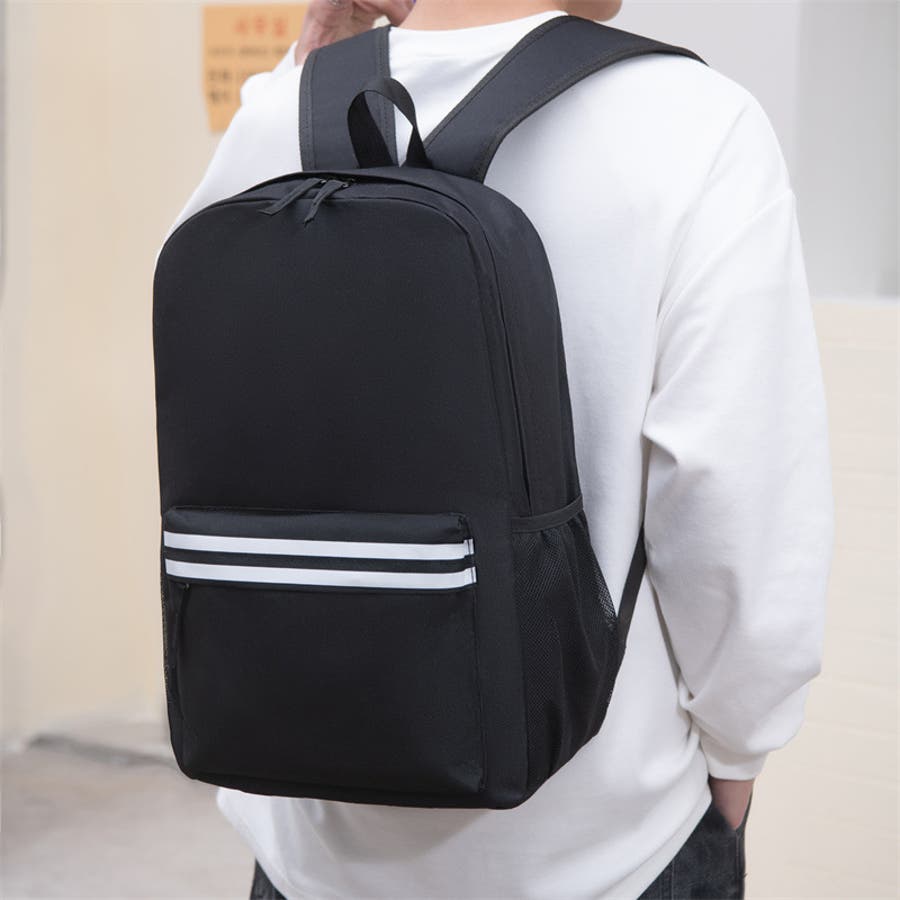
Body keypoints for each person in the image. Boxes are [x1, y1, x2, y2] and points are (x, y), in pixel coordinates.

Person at [170, 1, 834, 897]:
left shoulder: (280, 111)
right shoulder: (696, 124)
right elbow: (737, 505)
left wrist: (308, 75)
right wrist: (741, 746)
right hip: (603, 848)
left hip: (309, 842)